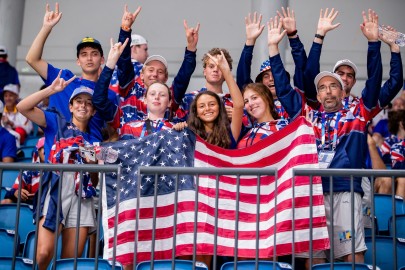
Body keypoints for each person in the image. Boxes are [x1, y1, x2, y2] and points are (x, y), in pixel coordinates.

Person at [270, 9, 383, 263]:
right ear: (317, 95)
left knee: (352, 254)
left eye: (334, 86)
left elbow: (375, 81)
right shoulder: (307, 116)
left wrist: (374, 44)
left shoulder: (357, 113)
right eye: (322, 88)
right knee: (314, 256)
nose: (328, 91)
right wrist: (273, 49)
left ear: (343, 92)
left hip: (345, 189)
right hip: (313, 190)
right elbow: (283, 87)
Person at [17, 73, 99, 270]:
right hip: (56, 188)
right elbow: (22, 107)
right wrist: (51, 90)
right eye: (78, 101)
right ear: (70, 107)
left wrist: (92, 166)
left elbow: (94, 181)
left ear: (93, 111)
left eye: (88, 103)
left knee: (69, 264)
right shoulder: (56, 122)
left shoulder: (94, 138)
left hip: (82, 197)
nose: (83, 105)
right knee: (44, 254)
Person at [25, 3, 117, 156]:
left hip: (88, 163)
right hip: (56, 159)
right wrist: (46, 28)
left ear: (102, 59)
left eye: (94, 54)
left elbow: (113, 132)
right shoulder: (63, 79)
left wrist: (97, 153)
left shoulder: (110, 95)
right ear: (77, 61)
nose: (89, 58)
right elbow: (31, 59)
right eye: (84, 54)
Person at [111, 5, 199, 124]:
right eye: (151, 70)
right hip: (132, 141)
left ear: (166, 78)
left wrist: (191, 48)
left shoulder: (168, 96)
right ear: (142, 75)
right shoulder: (130, 89)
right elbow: (124, 61)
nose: (155, 74)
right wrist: (125, 29)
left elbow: (183, 77)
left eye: (160, 71)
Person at [236, 8, 315, 126]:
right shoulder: (253, 106)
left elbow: (301, 67)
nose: (272, 79)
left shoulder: (295, 100)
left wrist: (292, 36)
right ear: (260, 83)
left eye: (275, 75)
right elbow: (243, 80)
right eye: (266, 76)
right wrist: (250, 42)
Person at [368, 110, 405, 198]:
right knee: (397, 180)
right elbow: (383, 167)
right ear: (401, 123)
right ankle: (398, 211)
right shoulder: (389, 142)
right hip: (388, 177)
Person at [1, 137, 45, 205]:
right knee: (5, 202)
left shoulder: (58, 172)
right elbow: (12, 191)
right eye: (45, 147)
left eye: (52, 147)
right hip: (31, 205)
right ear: (38, 151)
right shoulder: (28, 173)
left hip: (51, 208)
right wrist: (17, 193)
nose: (49, 150)